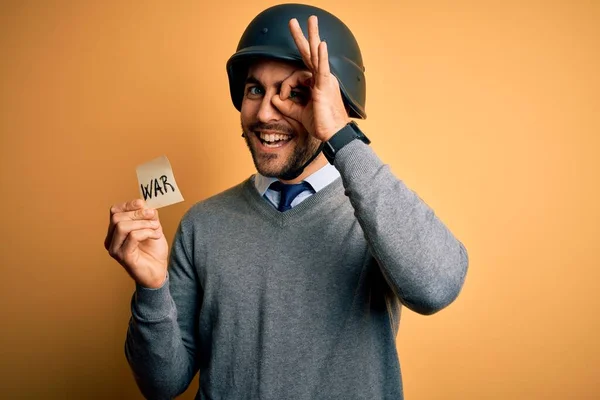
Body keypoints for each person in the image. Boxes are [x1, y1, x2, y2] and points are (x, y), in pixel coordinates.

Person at [104, 4, 468, 399]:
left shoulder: (380, 216)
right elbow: (163, 384)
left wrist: (341, 137)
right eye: (255, 89)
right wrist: (152, 288)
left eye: (296, 94)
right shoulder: (202, 224)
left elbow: (438, 286)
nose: (264, 113)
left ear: (337, 106)